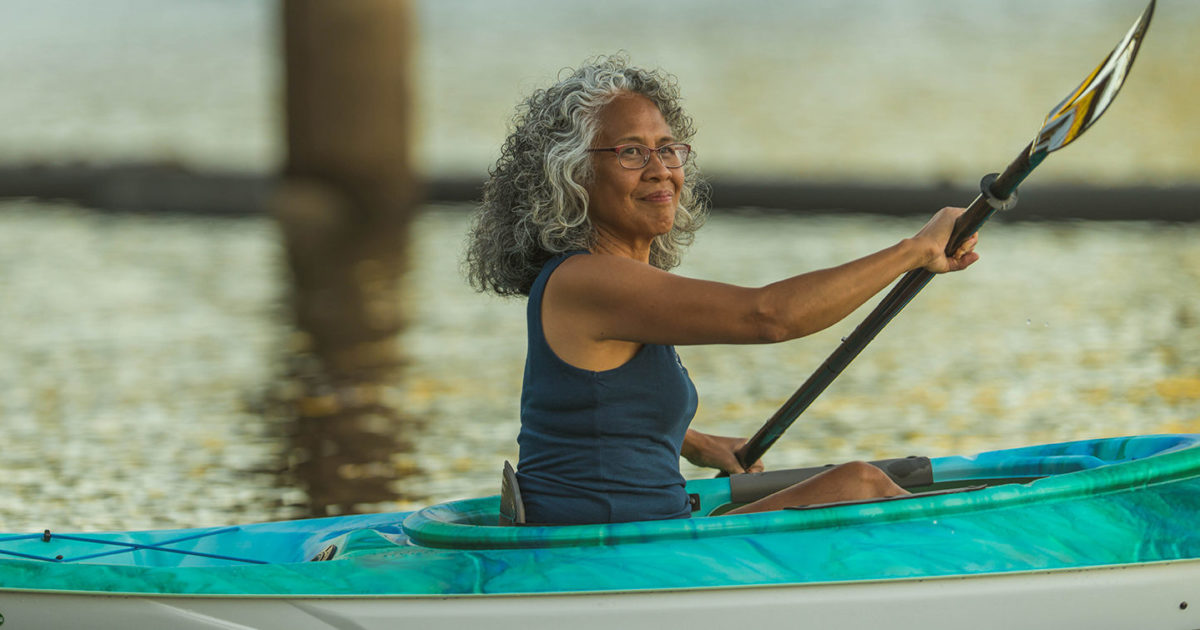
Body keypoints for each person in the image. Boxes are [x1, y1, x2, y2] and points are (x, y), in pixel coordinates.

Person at [464, 54, 979, 525]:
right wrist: (915, 250)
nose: (661, 170)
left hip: (643, 536)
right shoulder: (588, 280)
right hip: (611, 555)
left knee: (855, 482)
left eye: (667, 149)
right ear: (573, 175)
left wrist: (696, 444)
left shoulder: (605, 284)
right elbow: (767, 316)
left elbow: (587, 409)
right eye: (630, 153)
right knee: (860, 483)